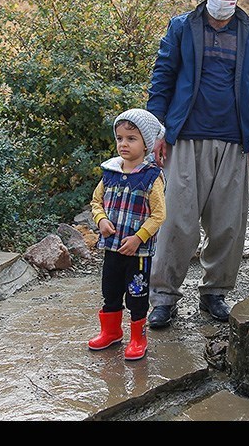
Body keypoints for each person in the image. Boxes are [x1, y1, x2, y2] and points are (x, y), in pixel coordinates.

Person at [145, 0, 249, 328]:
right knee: (176, 223)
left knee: (228, 225)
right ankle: (164, 298)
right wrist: (158, 130)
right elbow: (162, 80)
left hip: (235, 141)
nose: (222, 0)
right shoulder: (182, 27)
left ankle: (215, 293)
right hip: (185, 137)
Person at [88, 108, 167, 361]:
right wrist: (101, 221)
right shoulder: (110, 172)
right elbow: (96, 201)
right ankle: (111, 332)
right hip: (112, 247)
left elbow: (159, 215)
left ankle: (137, 337)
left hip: (138, 252)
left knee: (137, 294)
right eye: (120, 138)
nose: (124, 144)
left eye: (131, 139)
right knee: (110, 290)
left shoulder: (151, 177)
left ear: (146, 144)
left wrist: (138, 238)